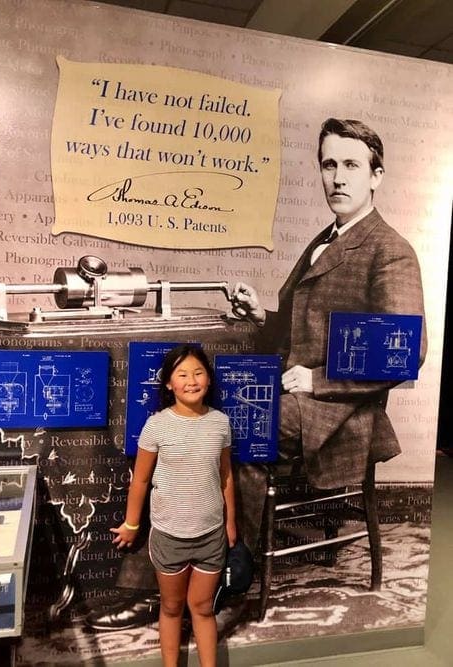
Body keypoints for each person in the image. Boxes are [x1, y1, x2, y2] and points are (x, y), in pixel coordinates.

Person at [231, 118, 427, 502]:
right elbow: (304, 328)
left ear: (376, 176)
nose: (338, 178)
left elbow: (404, 353)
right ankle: (207, 544)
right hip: (298, 396)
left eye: (351, 165)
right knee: (203, 416)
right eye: (329, 164)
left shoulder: (390, 251)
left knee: (241, 429)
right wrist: (260, 316)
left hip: (340, 412)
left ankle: (240, 561)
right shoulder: (326, 239)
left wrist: (317, 381)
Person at [109, 344, 236, 667]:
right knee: (170, 607)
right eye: (182, 374)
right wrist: (132, 524)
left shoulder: (220, 423)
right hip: (168, 537)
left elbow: (226, 477)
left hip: (211, 536)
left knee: (204, 608)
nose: (191, 381)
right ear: (168, 383)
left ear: (208, 379)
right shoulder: (157, 426)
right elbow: (140, 480)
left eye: (198, 372)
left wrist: (230, 524)